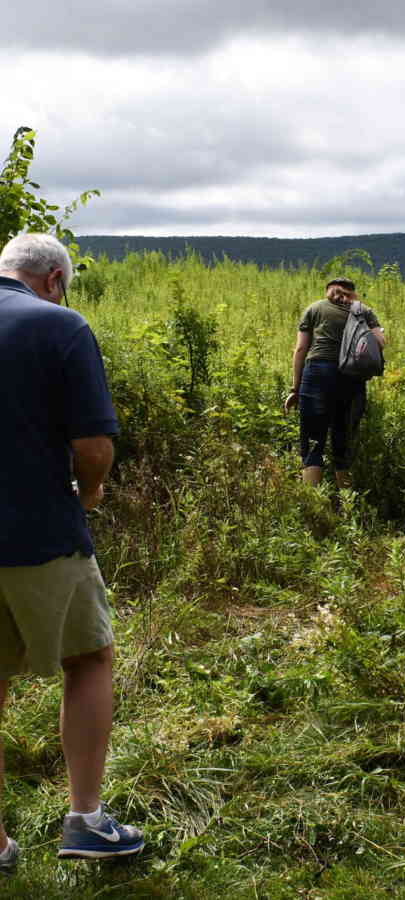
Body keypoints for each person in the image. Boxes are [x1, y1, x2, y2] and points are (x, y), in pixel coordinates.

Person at [0, 234, 144, 869]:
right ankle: (85, 822)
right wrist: (88, 497)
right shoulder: (60, 326)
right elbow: (94, 448)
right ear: (55, 278)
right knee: (89, 656)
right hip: (41, 532)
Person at [283, 277, 385, 488]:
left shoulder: (315, 308)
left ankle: (314, 506)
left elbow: (301, 349)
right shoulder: (363, 310)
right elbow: (381, 342)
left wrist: (295, 388)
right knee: (343, 439)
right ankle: (347, 507)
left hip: (318, 372)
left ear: (328, 291)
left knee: (312, 439)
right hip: (351, 377)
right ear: (352, 293)